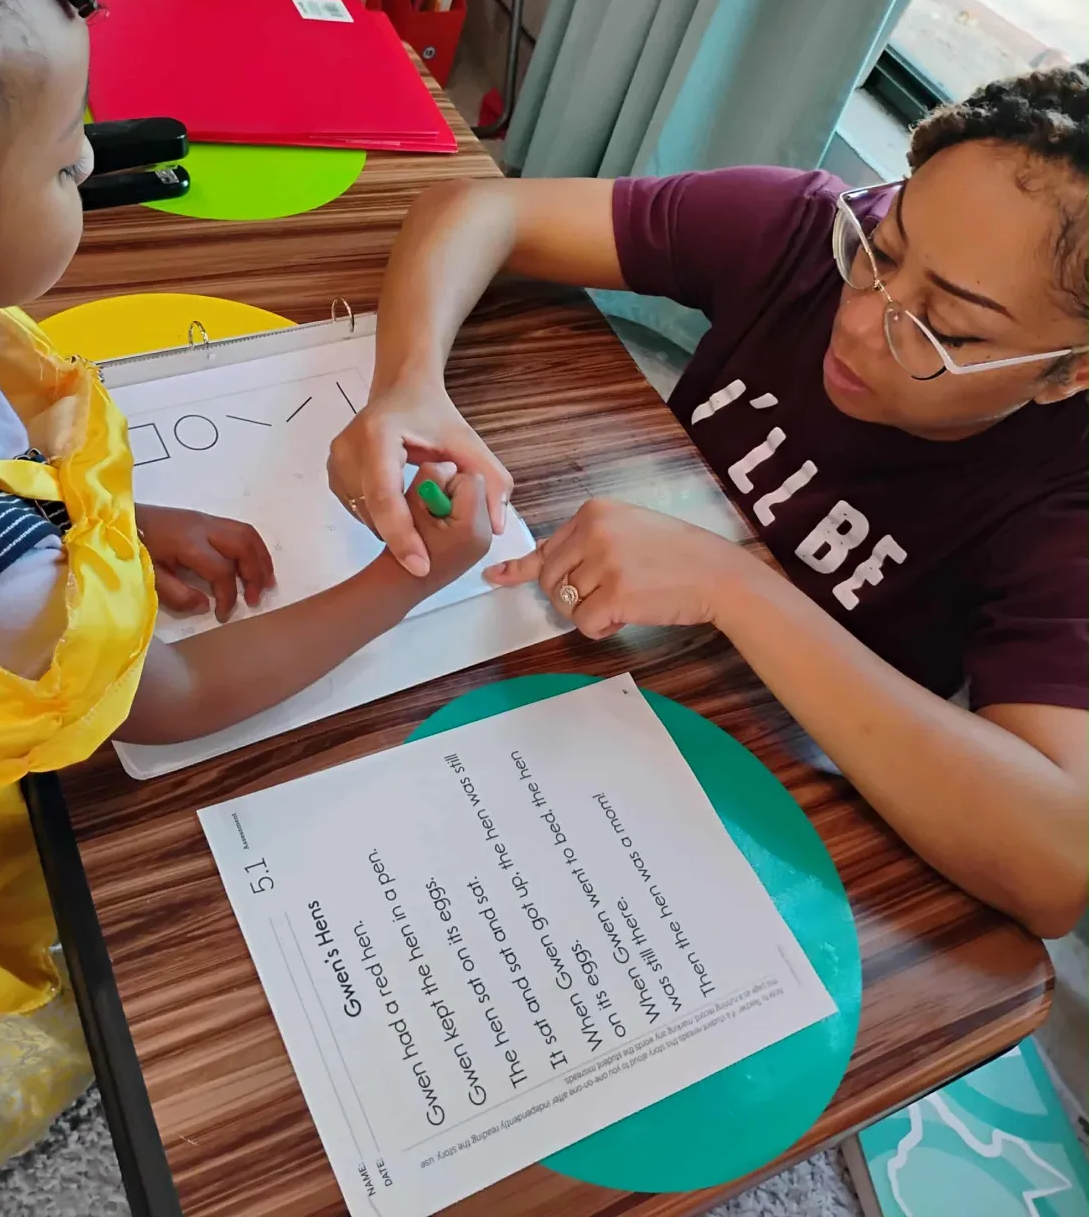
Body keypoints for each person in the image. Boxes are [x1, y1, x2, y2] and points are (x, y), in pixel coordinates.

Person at [0, 0, 490, 1216]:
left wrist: (106, 517)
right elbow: (168, 692)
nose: (92, 160)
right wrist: (414, 573)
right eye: (59, 159)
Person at [329, 61, 1089, 943]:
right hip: (571, 670)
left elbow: (1054, 869)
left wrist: (734, 587)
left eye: (943, 330)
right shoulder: (805, 227)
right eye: (881, 251)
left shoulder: (1063, 504)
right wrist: (409, 382)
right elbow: (474, 210)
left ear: (1067, 372)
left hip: (737, 808)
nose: (858, 319)